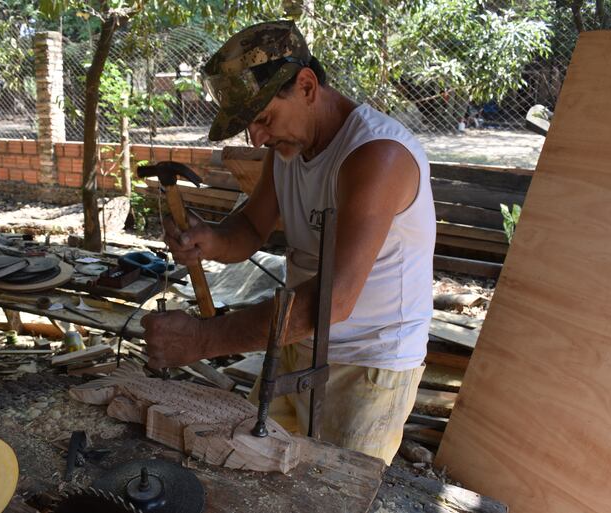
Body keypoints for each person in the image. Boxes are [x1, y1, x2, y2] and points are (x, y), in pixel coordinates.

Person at [140, 20, 435, 465]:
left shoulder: (377, 156)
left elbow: (332, 302)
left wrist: (204, 339)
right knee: (249, 466)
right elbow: (249, 231)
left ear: (307, 86)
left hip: (370, 364)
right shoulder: (290, 151)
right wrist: (208, 241)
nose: (256, 137)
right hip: (298, 341)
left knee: (339, 492)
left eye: (262, 118)